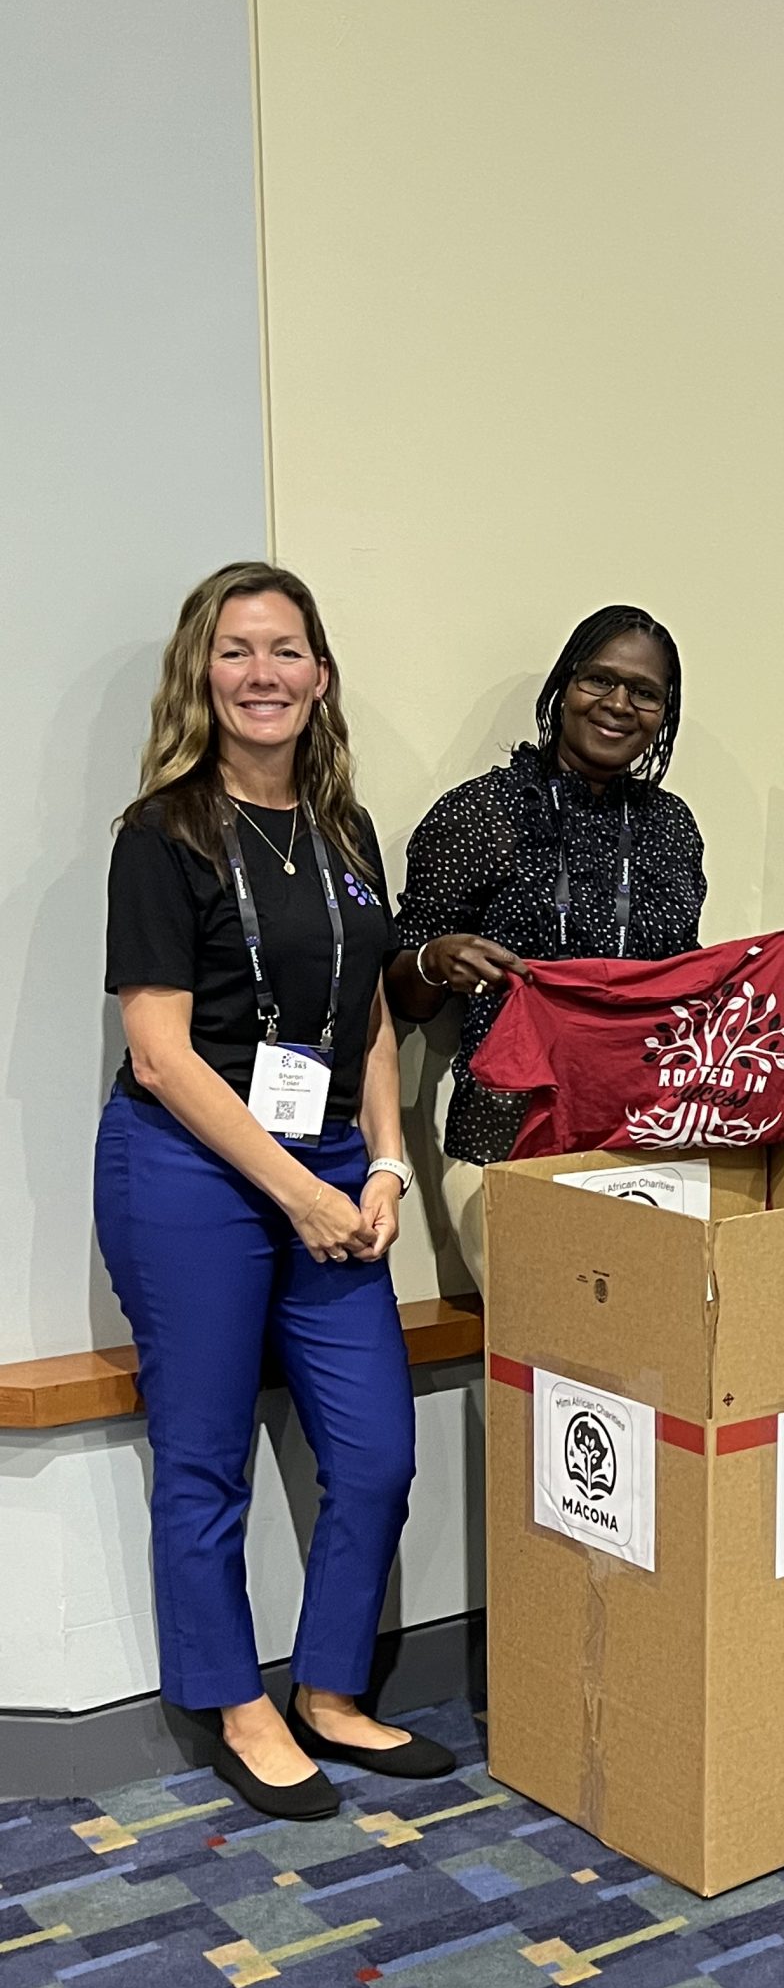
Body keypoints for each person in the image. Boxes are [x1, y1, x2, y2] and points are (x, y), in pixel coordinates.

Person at [96, 562, 454, 1819]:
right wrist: (297, 1189)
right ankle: (238, 1703)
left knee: (374, 1455)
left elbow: (360, 1022)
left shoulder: (344, 829)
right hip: (189, 1174)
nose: (265, 676)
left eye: (288, 651)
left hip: (337, 1177)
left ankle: (333, 1691)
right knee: (204, 1461)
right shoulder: (162, 836)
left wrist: (390, 1162)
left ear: (320, 674)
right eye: (238, 652)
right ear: (205, 674)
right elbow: (160, 1052)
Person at [385, 607, 707, 1270]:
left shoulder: (671, 828)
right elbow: (401, 997)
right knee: (550, 1351)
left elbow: (678, 981)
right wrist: (434, 960)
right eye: (599, 680)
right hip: (505, 1137)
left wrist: (758, 975)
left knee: (654, 1352)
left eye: (644, 693)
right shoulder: (478, 814)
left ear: (663, 714)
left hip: (647, 1137)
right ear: (564, 687)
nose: (619, 704)